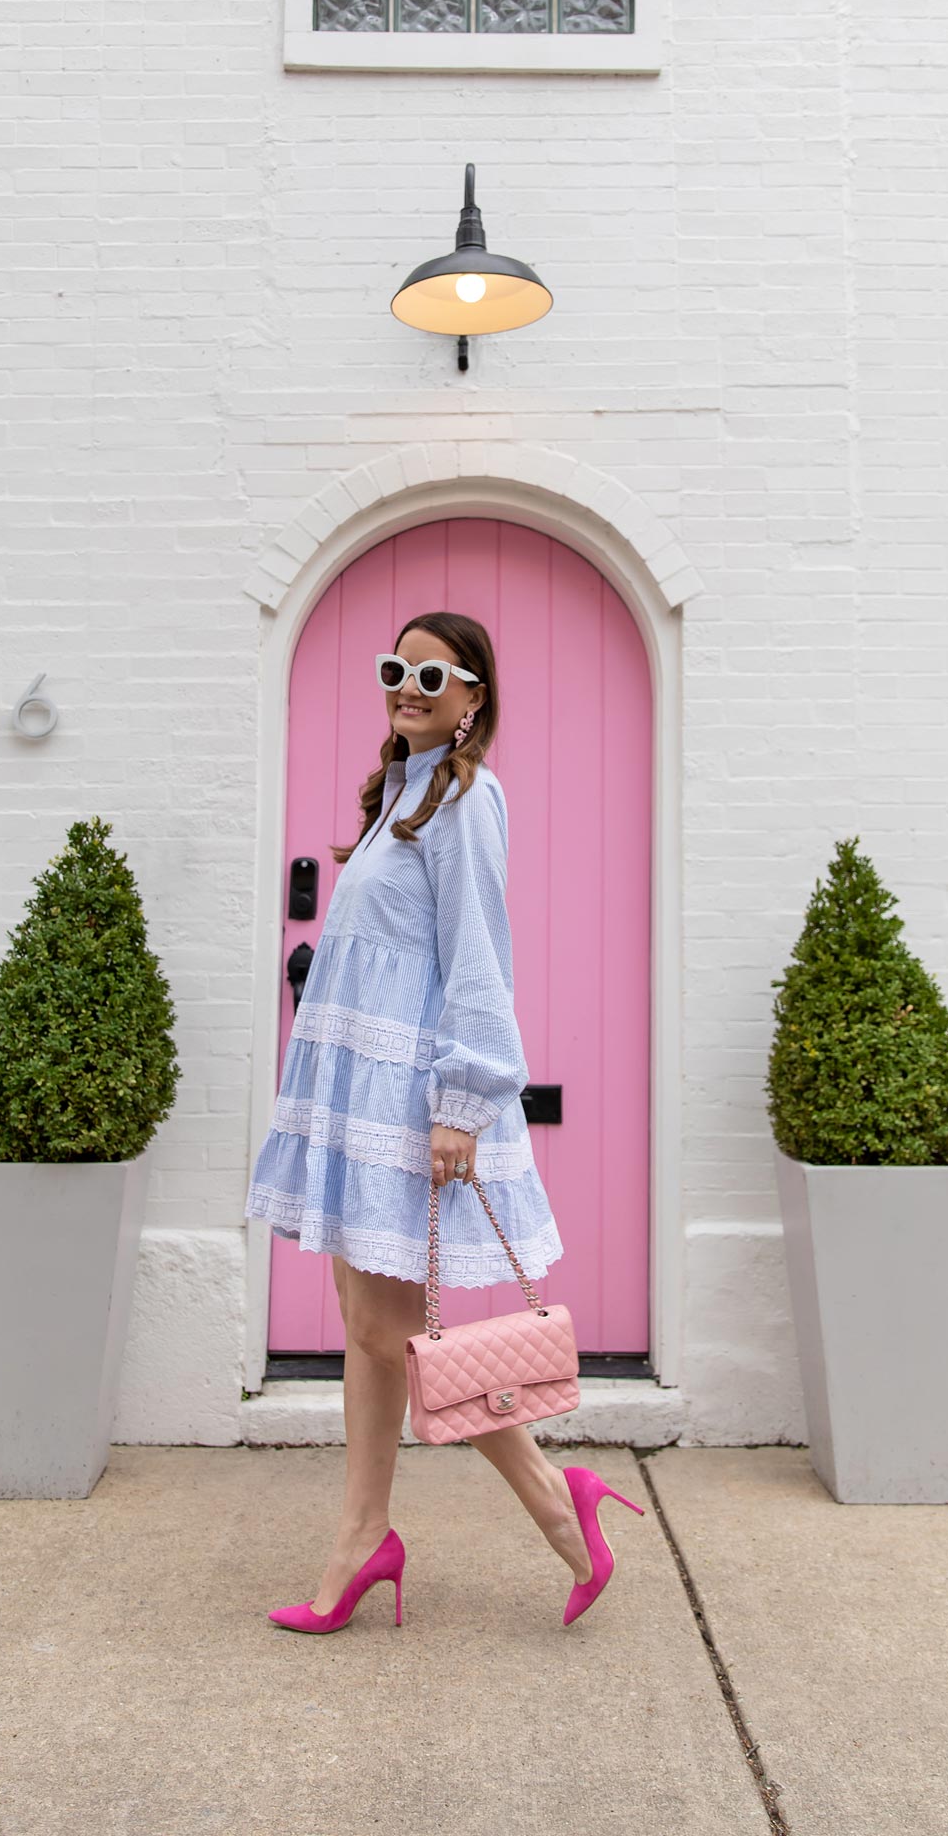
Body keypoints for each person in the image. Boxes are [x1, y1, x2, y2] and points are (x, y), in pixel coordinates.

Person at [244, 608, 645, 1632]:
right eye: (395, 670)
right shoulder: (399, 795)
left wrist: (464, 1103)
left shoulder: (469, 799)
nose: (408, 687)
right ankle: (364, 1532)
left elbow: (477, 960)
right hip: (355, 1088)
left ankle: (557, 1506)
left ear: (473, 697)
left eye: (433, 674)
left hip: (413, 1095)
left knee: (385, 1329)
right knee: (364, 1327)